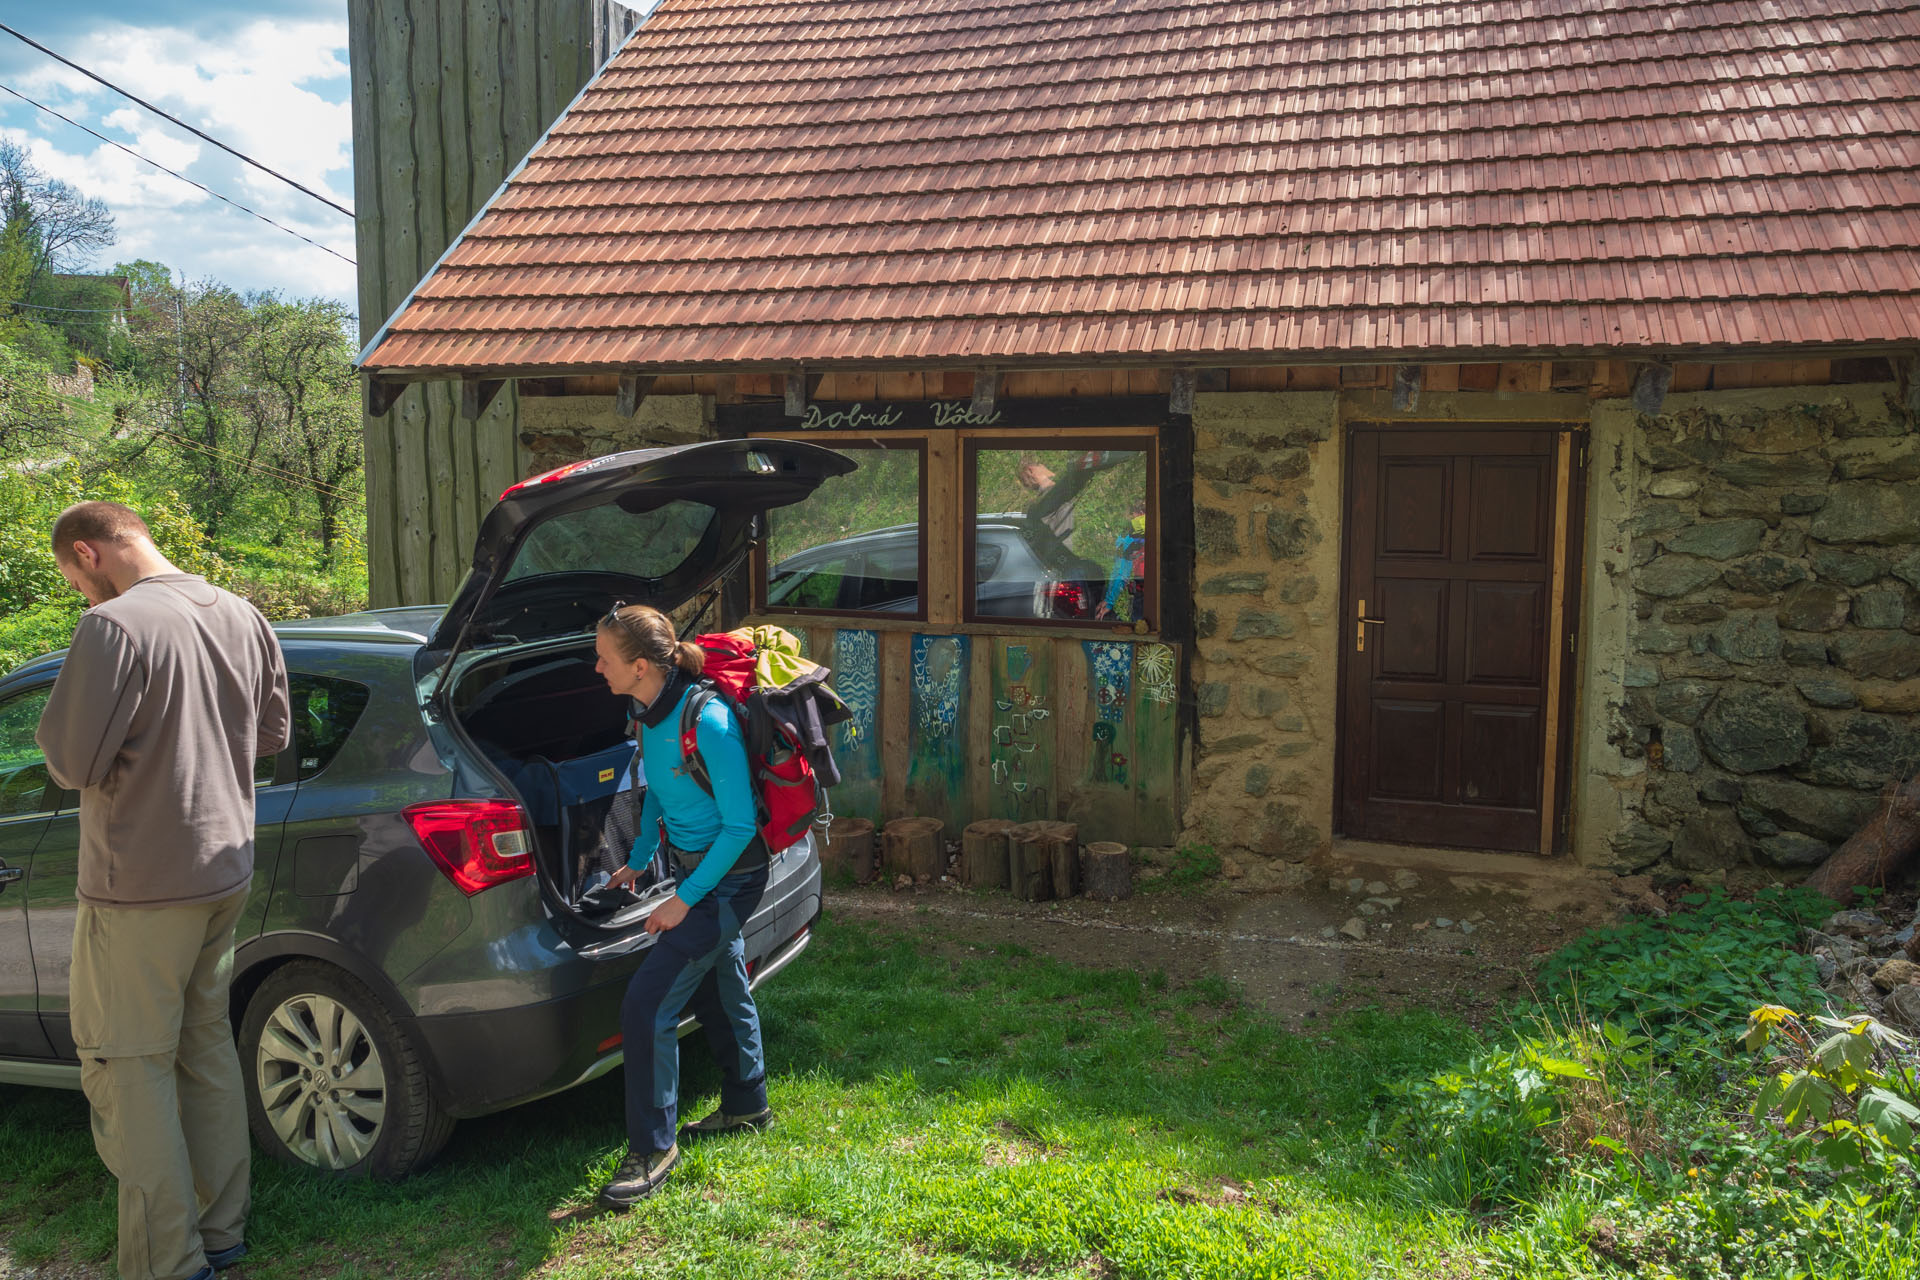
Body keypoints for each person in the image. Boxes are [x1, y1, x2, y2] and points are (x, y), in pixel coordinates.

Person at [35, 502, 289, 1280]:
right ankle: (222, 1233)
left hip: (139, 887)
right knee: (202, 1050)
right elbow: (273, 737)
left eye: (76, 579)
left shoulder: (112, 628)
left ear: (91, 553)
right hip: (225, 871)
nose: (82, 594)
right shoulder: (243, 614)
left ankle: (165, 1263)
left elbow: (69, 763)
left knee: (128, 1066)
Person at [592, 603, 775, 1209]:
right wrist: (641, 856)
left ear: (640, 666)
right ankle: (748, 1103)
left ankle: (652, 1149)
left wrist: (682, 902)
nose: (597, 668)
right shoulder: (645, 711)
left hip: (732, 878)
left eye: (605, 659)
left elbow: (740, 826)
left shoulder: (711, 720)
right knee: (722, 982)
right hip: (693, 874)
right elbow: (658, 790)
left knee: (647, 1002)